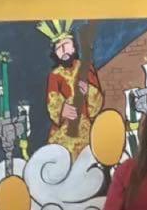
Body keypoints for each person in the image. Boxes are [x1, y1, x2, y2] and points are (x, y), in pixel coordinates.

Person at [43, 20, 103, 159]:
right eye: (58, 48)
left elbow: (97, 103)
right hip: (64, 131)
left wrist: (89, 92)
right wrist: (62, 110)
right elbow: (53, 103)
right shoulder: (54, 75)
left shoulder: (86, 67)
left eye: (65, 45)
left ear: (74, 47)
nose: (63, 50)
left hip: (86, 129)